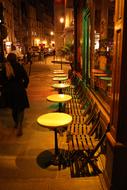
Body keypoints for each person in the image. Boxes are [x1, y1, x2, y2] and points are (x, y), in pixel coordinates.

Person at [1, 53, 30, 136]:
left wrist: (6, 87)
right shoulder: (19, 67)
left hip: (9, 92)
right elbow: (26, 78)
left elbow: (2, 81)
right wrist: (24, 86)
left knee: (13, 108)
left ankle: (16, 123)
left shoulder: (5, 68)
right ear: (15, 58)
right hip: (19, 90)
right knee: (21, 108)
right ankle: (20, 123)